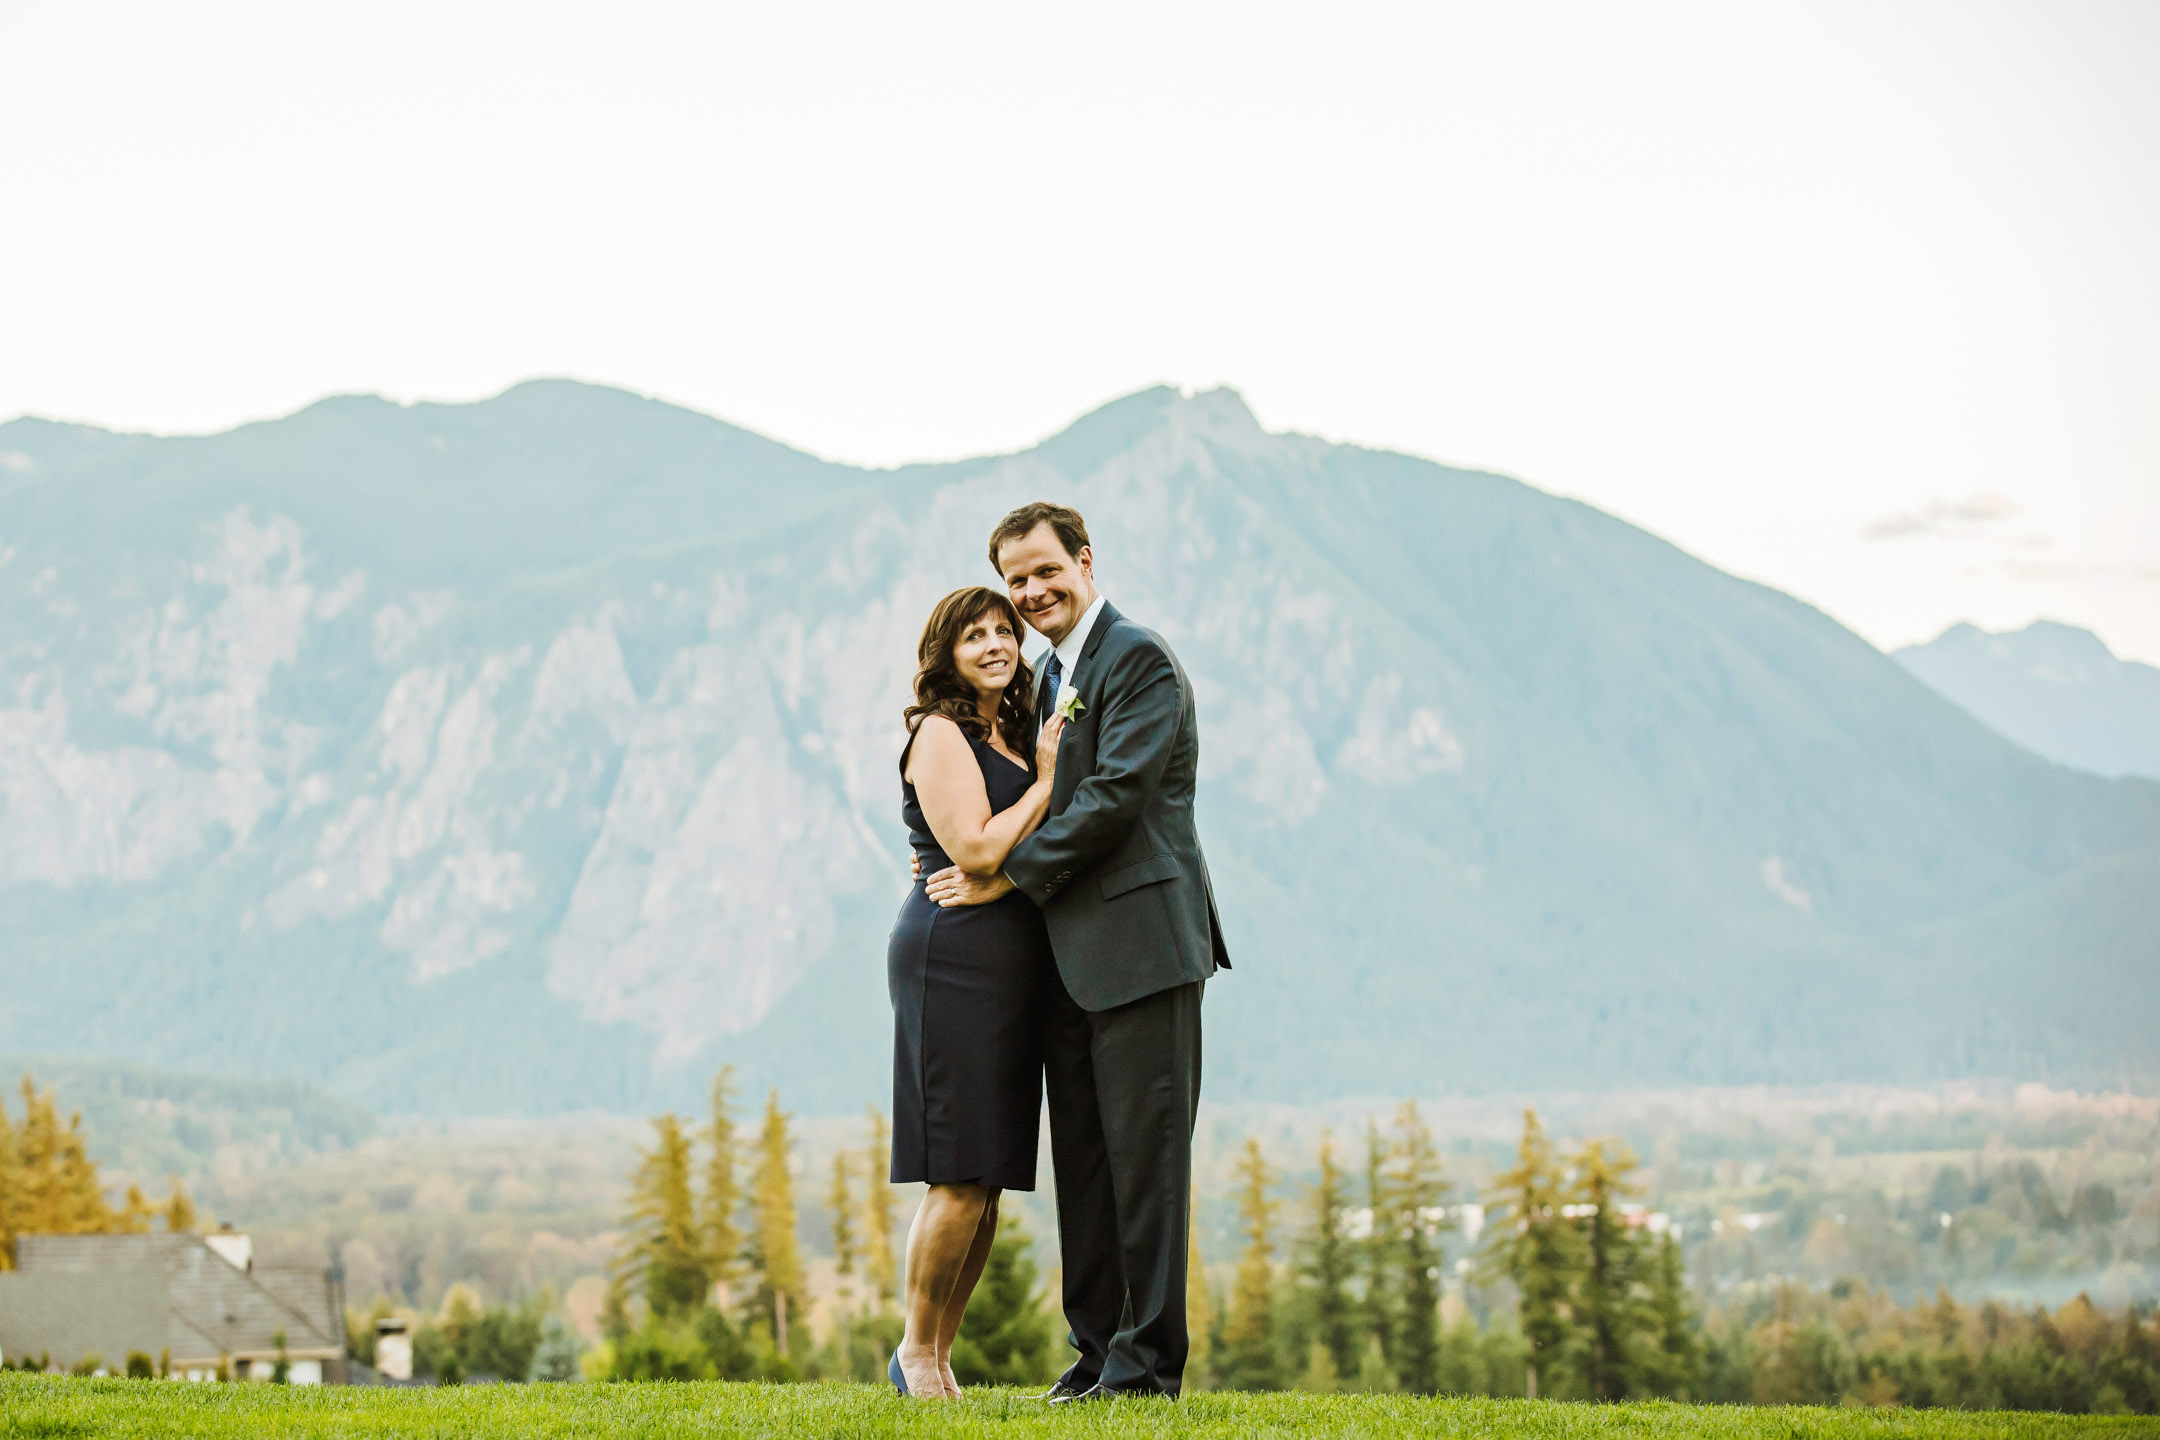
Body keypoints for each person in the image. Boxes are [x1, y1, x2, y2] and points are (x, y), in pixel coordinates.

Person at [924, 502, 1230, 1400]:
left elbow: (1115, 798)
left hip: (1143, 949)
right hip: (1066, 961)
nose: (1032, 592)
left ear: (1085, 561)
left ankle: (1145, 1370)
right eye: (1017, 580)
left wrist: (1004, 875)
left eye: (1045, 571)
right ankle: (1097, 1354)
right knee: (1087, 1170)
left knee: (1148, 1168)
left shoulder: (1136, 659)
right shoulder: (1046, 675)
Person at [885, 585, 1067, 1399]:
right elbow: (977, 848)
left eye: (1005, 631)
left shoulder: (1013, 730)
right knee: (958, 1171)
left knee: (988, 1174)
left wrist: (1043, 775)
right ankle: (913, 1354)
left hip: (1008, 962)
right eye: (975, 635)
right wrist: (1049, 782)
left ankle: (940, 1356)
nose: (996, 643)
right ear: (945, 653)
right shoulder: (941, 733)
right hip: (951, 954)